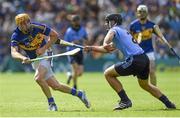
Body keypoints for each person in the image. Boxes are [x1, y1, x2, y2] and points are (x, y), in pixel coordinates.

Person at [84, 13, 176, 110]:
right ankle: (168, 103)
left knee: (108, 74)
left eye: (108, 22)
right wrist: (91, 48)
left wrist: (105, 43)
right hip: (144, 58)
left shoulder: (114, 30)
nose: (106, 24)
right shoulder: (122, 31)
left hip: (135, 60)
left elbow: (108, 40)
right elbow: (108, 49)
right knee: (145, 85)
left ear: (113, 22)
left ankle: (125, 100)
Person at [11, 13, 90, 111]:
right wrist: (22, 57)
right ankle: (80, 94)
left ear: (29, 22)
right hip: (35, 60)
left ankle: (52, 104)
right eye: (20, 24)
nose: (23, 26)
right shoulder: (16, 35)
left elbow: (55, 35)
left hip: (46, 54)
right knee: (55, 86)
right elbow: (13, 52)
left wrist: (44, 48)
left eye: (25, 23)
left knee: (38, 78)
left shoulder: (38, 27)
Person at [129, 5, 170, 86]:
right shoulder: (133, 25)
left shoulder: (152, 25)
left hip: (149, 51)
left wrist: (162, 41)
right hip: (138, 52)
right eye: (140, 12)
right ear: (137, 13)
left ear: (147, 13)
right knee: (141, 74)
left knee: (152, 71)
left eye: (143, 11)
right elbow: (130, 39)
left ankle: (155, 90)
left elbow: (160, 36)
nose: (142, 13)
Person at [64, 15, 88, 89]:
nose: (76, 22)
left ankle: (70, 75)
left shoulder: (83, 29)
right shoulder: (69, 31)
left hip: (80, 52)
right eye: (74, 21)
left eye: (77, 20)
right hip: (71, 52)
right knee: (75, 69)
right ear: (72, 22)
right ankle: (75, 86)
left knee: (80, 73)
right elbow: (65, 42)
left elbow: (86, 39)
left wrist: (82, 41)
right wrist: (73, 42)